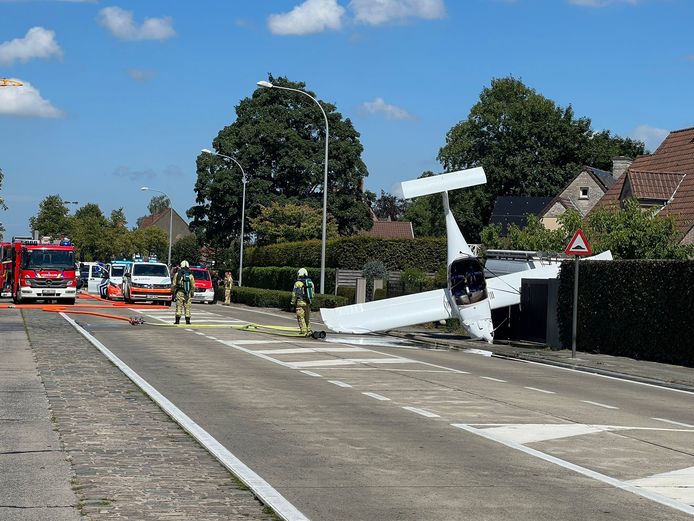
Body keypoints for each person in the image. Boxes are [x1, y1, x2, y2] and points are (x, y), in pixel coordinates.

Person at [291, 268, 315, 336]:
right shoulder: (311, 283)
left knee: (300, 317)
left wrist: (293, 302)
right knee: (307, 317)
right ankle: (309, 330)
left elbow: (294, 294)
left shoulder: (297, 283)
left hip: (300, 303)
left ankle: (303, 331)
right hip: (307, 303)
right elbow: (313, 293)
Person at [172, 260, 195, 324]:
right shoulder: (190, 275)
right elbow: (193, 286)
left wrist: (173, 292)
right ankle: (188, 321)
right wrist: (192, 293)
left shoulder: (177, 274)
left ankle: (177, 321)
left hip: (179, 292)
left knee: (179, 306)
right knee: (187, 307)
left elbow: (174, 285)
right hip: (188, 293)